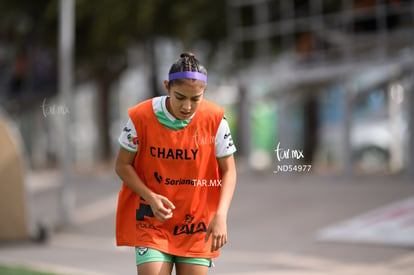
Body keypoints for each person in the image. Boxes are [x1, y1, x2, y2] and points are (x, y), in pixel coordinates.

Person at [115, 52, 237, 275]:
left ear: (204, 93)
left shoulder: (216, 120)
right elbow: (122, 165)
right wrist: (150, 197)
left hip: (196, 222)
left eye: (195, 99)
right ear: (166, 87)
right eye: (180, 97)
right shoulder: (140, 117)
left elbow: (228, 171)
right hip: (152, 220)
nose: (187, 107)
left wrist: (221, 215)